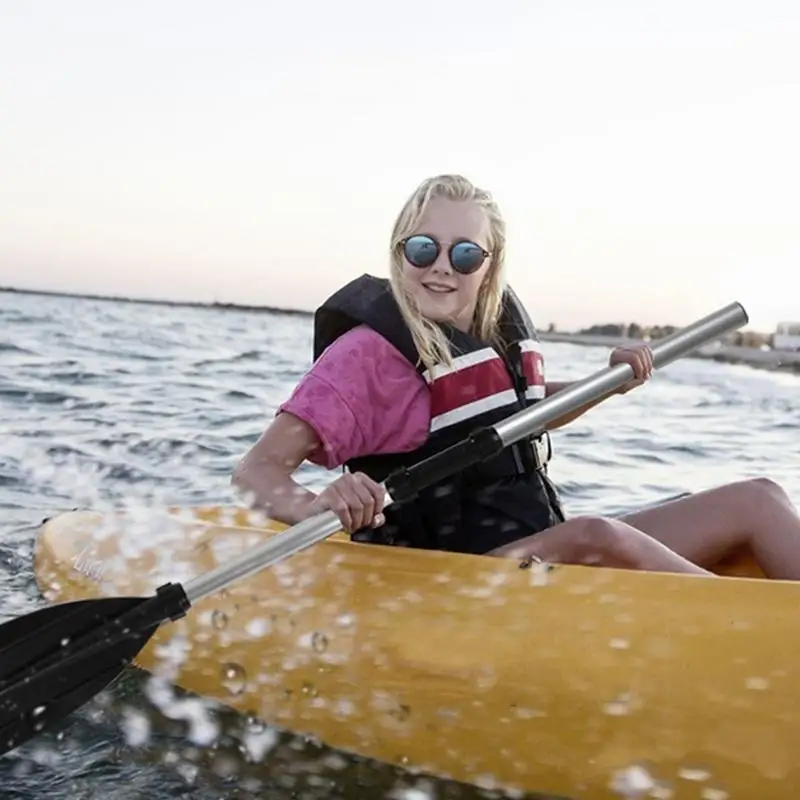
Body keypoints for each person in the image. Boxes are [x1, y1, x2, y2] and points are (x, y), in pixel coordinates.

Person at [232, 174, 800, 581]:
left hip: (532, 546)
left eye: (464, 255)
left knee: (758, 498)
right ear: (400, 252)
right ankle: (761, 638)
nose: (440, 267)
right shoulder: (367, 354)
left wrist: (604, 384)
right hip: (449, 577)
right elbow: (256, 472)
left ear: (489, 263)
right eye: (424, 248)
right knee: (595, 535)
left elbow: (515, 416)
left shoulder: (493, 333)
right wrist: (322, 508)